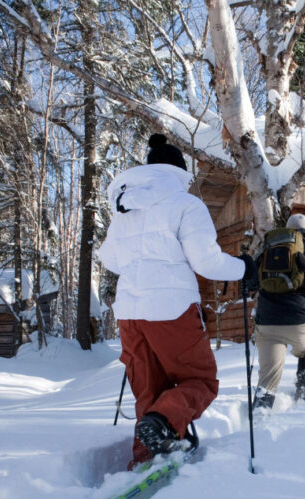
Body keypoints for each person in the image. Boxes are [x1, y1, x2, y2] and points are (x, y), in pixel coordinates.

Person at [97, 134, 256, 468]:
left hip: (129, 314)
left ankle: (146, 456)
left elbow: (109, 258)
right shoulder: (184, 204)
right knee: (200, 380)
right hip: (171, 309)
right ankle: (164, 423)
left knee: (148, 389)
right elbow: (207, 262)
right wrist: (244, 269)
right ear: (179, 172)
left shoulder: (125, 208)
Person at [248, 213, 305, 409]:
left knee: (268, 376)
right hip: (299, 321)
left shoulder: (267, 249)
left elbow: (250, 283)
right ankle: (304, 393)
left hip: (267, 322)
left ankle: (260, 412)